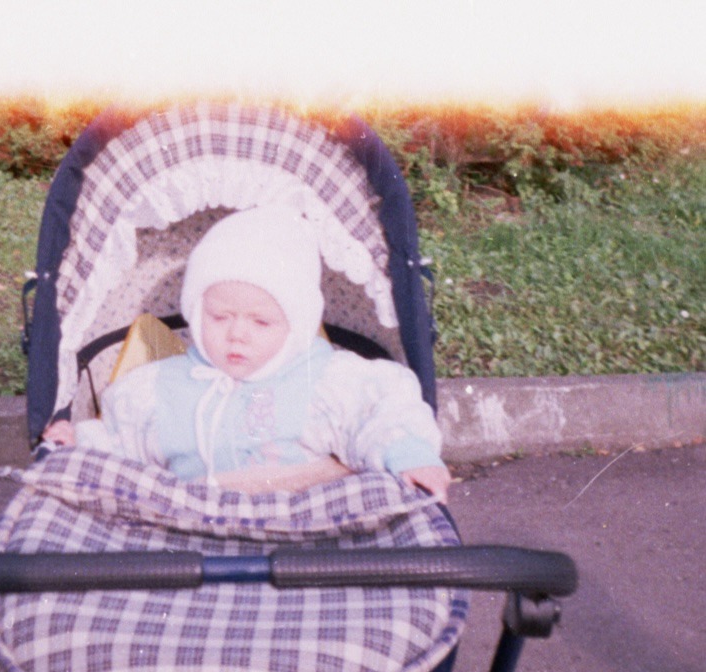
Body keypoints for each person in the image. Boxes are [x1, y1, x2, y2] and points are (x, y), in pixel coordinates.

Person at [43, 205, 451, 501]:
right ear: (195, 311)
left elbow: (385, 413)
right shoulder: (158, 387)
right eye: (219, 317)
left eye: (260, 323)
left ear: (297, 325)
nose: (237, 335)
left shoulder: (327, 378)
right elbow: (122, 442)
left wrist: (410, 456)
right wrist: (79, 440)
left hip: (304, 529)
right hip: (189, 530)